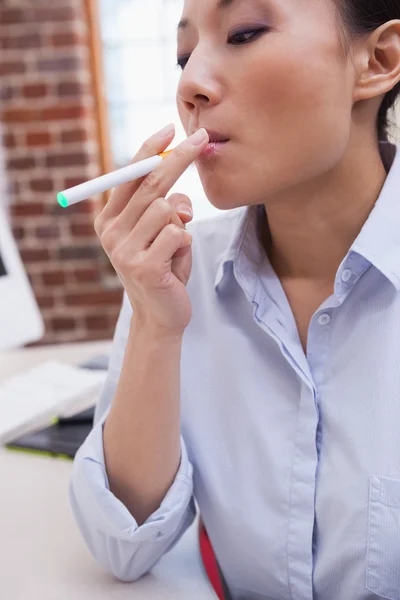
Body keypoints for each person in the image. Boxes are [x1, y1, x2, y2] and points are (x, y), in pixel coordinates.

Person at [69, 0, 400, 598]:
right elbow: (124, 546)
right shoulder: (176, 275)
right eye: (183, 55)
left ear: (378, 60)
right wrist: (154, 323)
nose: (190, 82)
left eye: (244, 33)